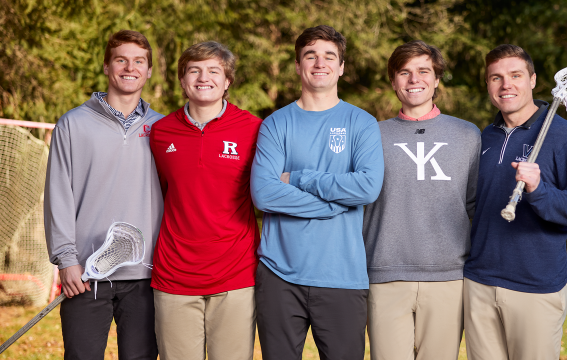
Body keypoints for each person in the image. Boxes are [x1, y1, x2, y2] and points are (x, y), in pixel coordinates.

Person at [250, 25, 384, 360]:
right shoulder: (275, 124)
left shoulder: (361, 123)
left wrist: (298, 177)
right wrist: (332, 205)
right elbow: (264, 194)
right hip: (279, 273)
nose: (319, 63)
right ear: (298, 65)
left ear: (341, 67)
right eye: (310, 55)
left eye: (329, 56)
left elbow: (367, 186)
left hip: (342, 275)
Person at [463, 44, 567, 360]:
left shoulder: (564, 135)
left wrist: (538, 189)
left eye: (515, 75)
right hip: (479, 284)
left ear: (533, 80)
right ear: (488, 85)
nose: (505, 85)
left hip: (534, 287)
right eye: (496, 77)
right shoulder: (484, 137)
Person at [44, 30, 163, 359]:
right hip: (84, 273)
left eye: (139, 61)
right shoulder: (73, 124)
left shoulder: (166, 129)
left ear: (149, 70)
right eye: (121, 60)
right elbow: (58, 197)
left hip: (147, 276)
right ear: (107, 67)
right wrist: (66, 261)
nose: (130, 67)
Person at [363, 40, 481, 360]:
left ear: (437, 79)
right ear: (393, 81)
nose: (414, 79)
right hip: (384, 275)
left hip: (448, 277)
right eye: (404, 72)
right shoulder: (370, 135)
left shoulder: (468, 135)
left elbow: (475, 207)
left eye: (423, 71)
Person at [149, 41, 262, 360]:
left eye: (214, 70)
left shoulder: (254, 129)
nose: (204, 77)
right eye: (194, 70)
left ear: (227, 82)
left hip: (236, 273)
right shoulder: (160, 132)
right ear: (183, 81)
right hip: (174, 273)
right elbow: (156, 195)